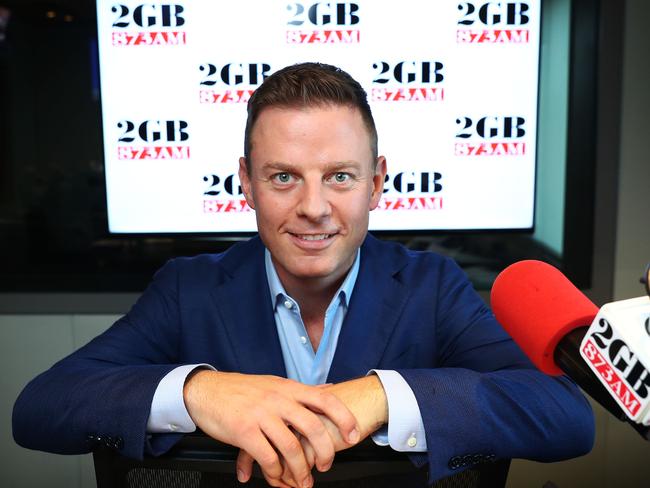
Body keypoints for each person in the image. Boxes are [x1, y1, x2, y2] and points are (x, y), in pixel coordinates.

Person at [13, 62, 594, 487]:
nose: (314, 206)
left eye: (340, 176)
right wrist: (200, 391)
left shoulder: (433, 287)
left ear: (376, 182)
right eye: (283, 177)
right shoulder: (188, 287)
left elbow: (566, 418)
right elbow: (40, 408)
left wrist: (381, 395)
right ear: (246, 182)